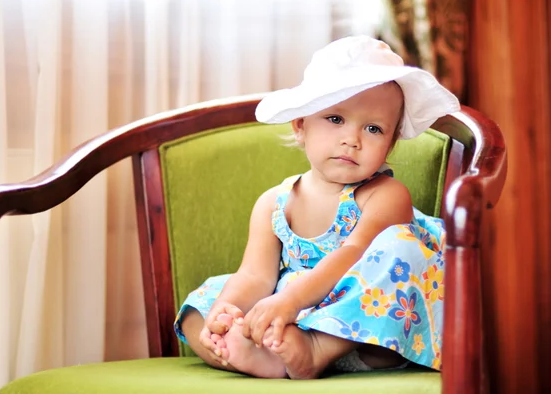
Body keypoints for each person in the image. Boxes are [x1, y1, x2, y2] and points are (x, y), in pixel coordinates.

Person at [173, 35, 460, 379]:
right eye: (335, 119)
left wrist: (291, 302)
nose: (351, 139)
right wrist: (227, 308)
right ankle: (232, 345)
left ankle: (317, 349)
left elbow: (354, 253)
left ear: (390, 144)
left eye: (373, 128)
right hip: (292, 317)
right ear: (300, 126)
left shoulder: (385, 195)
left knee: (401, 249)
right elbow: (255, 275)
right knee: (201, 303)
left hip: (367, 337)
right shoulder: (274, 204)